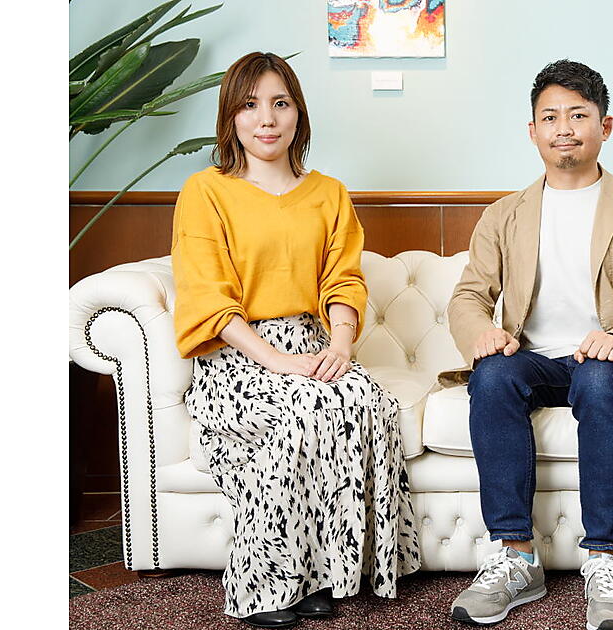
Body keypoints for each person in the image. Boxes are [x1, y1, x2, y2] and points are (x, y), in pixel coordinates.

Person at [171, 52, 420, 629]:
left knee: (365, 403)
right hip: (236, 354)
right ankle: (264, 586)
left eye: (280, 103)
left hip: (314, 341)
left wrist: (341, 344)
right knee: (300, 410)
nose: (266, 118)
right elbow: (208, 295)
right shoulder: (205, 191)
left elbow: (343, 279)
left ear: (298, 114)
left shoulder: (328, 193)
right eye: (250, 105)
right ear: (230, 117)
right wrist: (277, 360)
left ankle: (322, 574)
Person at [445, 59, 613, 630]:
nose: (564, 128)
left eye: (578, 115)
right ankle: (515, 557)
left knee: (599, 380)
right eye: (550, 117)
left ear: (605, 125)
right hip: (532, 359)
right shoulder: (503, 214)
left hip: (606, 357)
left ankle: (606, 558)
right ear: (533, 131)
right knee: (492, 375)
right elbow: (469, 296)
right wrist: (482, 333)